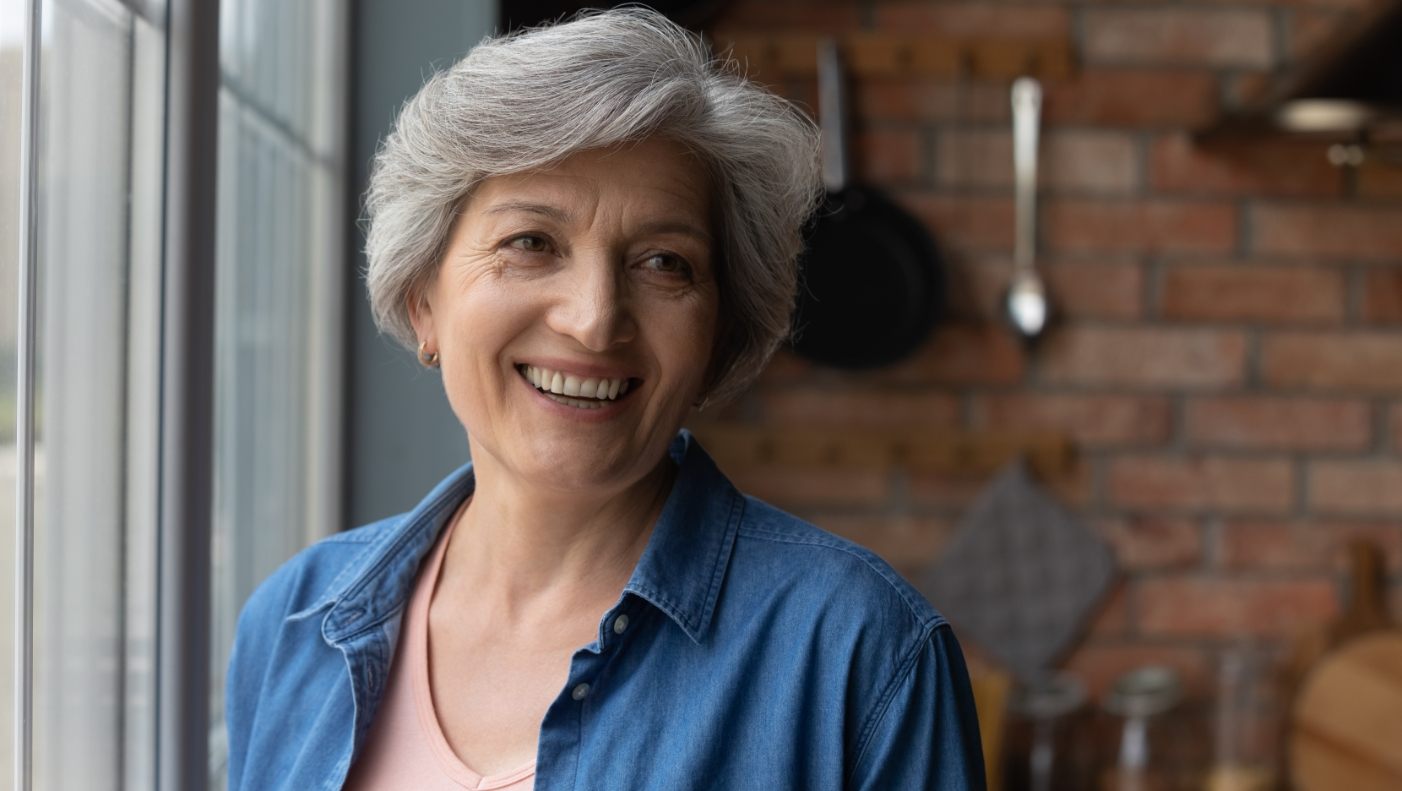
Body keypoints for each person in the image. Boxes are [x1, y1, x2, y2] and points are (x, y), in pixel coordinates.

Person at [225, 8, 983, 790]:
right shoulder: (293, 623)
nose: (593, 320)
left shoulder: (863, 652)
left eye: (663, 262)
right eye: (531, 243)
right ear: (424, 300)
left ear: (719, 336)